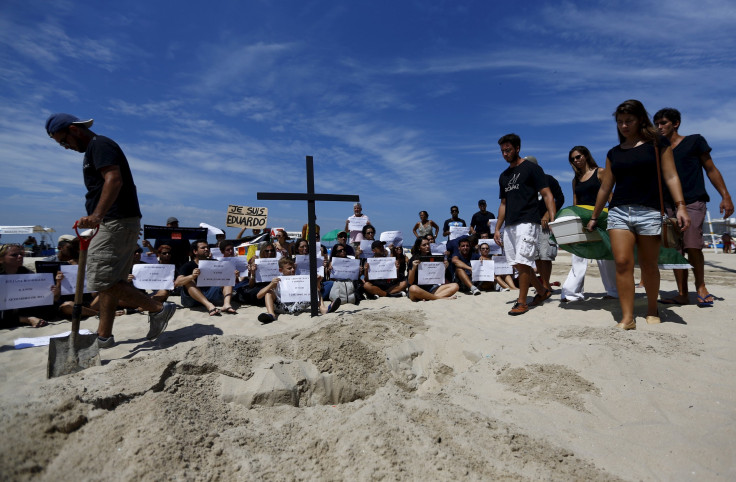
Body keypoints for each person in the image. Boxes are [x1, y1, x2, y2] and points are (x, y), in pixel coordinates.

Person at [46, 113, 175, 348]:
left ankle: (158, 309)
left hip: (113, 220)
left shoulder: (100, 144)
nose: (65, 147)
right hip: (117, 221)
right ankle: (104, 335)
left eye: (63, 141)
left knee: (100, 278)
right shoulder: (94, 149)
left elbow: (113, 180)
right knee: (112, 280)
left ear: (74, 130)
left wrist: (97, 215)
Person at [586, 100, 690, 330]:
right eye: (620, 122)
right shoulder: (614, 153)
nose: (624, 125)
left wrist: (681, 206)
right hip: (619, 212)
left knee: (648, 265)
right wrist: (594, 216)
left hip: (649, 211)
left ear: (640, 119)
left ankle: (652, 308)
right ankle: (627, 316)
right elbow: (606, 187)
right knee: (622, 263)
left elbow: (671, 176)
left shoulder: (657, 144)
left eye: (629, 121)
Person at [653, 108, 734, 307]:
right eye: (657, 124)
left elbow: (711, 169)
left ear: (676, 123)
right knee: (675, 250)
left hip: (693, 202)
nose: (659, 127)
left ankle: (701, 287)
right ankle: (682, 293)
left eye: (663, 123)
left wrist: (725, 196)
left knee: (692, 245)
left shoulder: (694, 141)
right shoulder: (658, 149)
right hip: (668, 206)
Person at [494, 134, 557, 316]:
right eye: (503, 151)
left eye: (508, 150)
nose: (505, 154)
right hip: (510, 225)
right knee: (516, 263)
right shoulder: (504, 176)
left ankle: (522, 302)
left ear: (518, 148)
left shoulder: (531, 168)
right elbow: (503, 204)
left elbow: (547, 194)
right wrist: (498, 228)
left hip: (528, 222)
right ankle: (542, 291)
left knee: (523, 262)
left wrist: (552, 219)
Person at [561, 146, 618, 302]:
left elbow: (610, 196)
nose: (576, 160)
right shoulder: (575, 180)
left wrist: (611, 218)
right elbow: (575, 202)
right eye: (572, 159)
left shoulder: (600, 172)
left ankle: (613, 292)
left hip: (601, 218)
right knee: (578, 256)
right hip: (582, 220)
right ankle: (572, 293)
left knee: (605, 258)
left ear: (586, 156)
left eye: (578, 157)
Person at [525, 156, 565, 295]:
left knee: (545, 255)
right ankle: (542, 284)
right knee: (536, 256)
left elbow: (560, 198)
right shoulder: (524, 183)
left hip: (546, 225)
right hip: (530, 225)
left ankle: (547, 286)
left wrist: (549, 214)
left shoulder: (549, 180)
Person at [256, 257, 340, 323]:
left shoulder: (300, 278)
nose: (292, 270)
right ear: (281, 270)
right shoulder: (277, 280)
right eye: (289, 268)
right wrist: (270, 285)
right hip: (282, 307)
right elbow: (259, 296)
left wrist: (317, 281)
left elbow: (317, 289)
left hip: (297, 305)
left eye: (293, 268)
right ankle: (272, 315)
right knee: (269, 293)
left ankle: (323, 309)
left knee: (315, 290)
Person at [175, 240, 238, 315]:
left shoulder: (215, 262)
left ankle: (226, 304)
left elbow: (226, 278)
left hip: (211, 293)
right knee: (189, 281)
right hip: (193, 298)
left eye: (207, 247)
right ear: (195, 251)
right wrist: (192, 276)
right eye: (203, 248)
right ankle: (209, 305)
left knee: (227, 276)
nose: (206, 249)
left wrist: (233, 275)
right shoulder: (188, 265)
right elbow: (177, 283)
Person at [0, 244, 51, 328]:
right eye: (14, 255)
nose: (20, 257)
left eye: (21, 254)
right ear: (1, 259)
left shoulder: (26, 273)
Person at [407, 237, 459, 301]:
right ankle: (440, 298)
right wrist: (414, 268)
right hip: (418, 289)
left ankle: (429, 297)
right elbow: (410, 281)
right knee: (413, 288)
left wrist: (444, 268)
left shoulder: (433, 258)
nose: (427, 246)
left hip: (431, 289)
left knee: (455, 286)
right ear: (419, 247)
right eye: (424, 245)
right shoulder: (413, 259)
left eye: (428, 244)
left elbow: (438, 277)